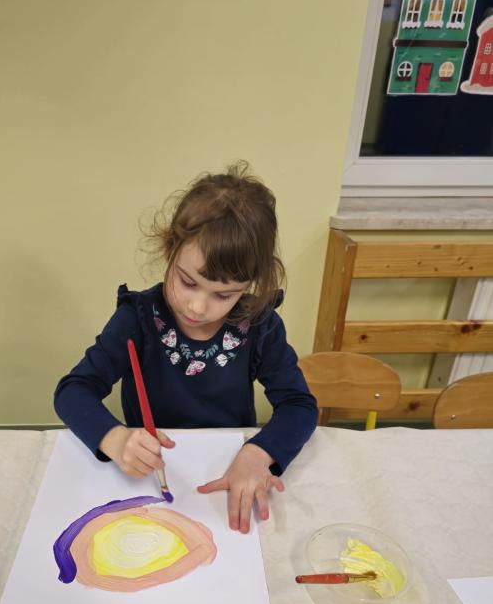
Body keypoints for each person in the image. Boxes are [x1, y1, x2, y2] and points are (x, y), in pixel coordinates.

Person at [54, 162, 317, 533]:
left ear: (249, 284)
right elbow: (72, 391)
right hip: (149, 475)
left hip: (229, 473)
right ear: (169, 249)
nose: (198, 307)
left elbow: (299, 406)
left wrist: (261, 453)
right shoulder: (137, 318)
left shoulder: (260, 326)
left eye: (223, 295)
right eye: (188, 282)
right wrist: (115, 438)